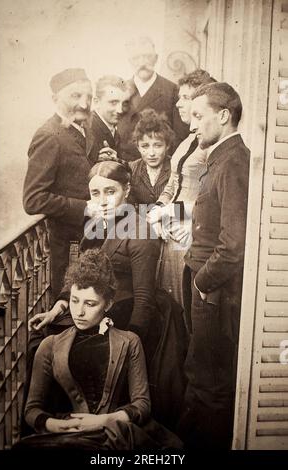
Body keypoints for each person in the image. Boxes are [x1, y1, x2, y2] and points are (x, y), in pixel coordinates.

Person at [28, 157, 187, 431]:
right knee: (43, 337)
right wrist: (62, 304)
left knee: (71, 347)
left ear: (126, 189)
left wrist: (127, 339)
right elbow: (82, 273)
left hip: (129, 312)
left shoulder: (139, 229)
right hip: (95, 306)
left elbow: (144, 298)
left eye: (110, 192)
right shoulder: (96, 222)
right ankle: (54, 422)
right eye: (95, 193)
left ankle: (92, 421)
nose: (102, 200)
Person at [15, 250, 182, 450]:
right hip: (65, 435)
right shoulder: (50, 344)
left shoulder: (129, 342)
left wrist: (102, 421)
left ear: (108, 304)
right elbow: (32, 409)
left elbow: (142, 405)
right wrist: (56, 425)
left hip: (112, 433)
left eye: (90, 303)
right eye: (75, 301)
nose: (79, 311)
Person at [178, 82, 250, 449]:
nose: (191, 126)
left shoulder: (234, 162)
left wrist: (203, 281)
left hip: (214, 292)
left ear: (223, 116)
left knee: (209, 384)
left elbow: (233, 245)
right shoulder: (220, 159)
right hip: (205, 286)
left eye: (198, 116)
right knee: (200, 373)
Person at [23, 68, 95, 301]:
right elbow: (33, 199)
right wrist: (85, 207)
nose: (84, 104)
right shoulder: (50, 135)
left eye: (89, 97)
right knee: (66, 306)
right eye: (76, 96)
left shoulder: (80, 130)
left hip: (87, 238)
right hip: (67, 245)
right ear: (56, 99)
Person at [147, 70, 216, 307]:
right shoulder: (188, 139)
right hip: (171, 226)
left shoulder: (211, 144)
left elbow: (211, 195)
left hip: (189, 230)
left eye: (186, 97)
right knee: (166, 296)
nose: (178, 103)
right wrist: (157, 211)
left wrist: (180, 217)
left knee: (182, 299)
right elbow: (174, 183)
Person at [117, 36, 189, 161]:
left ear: (156, 59)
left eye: (147, 57)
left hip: (160, 165)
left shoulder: (172, 90)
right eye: (136, 58)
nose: (142, 63)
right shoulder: (121, 90)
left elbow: (180, 136)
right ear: (129, 61)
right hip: (125, 164)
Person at [128, 109, 173, 206]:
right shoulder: (132, 169)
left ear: (167, 145)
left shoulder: (175, 168)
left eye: (157, 145)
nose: (151, 153)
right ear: (138, 147)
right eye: (145, 146)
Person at [90, 75, 129, 162]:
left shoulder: (113, 127)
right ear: (96, 102)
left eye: (124, 104)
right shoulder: (87, 129)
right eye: (113, 102)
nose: (120, 110)